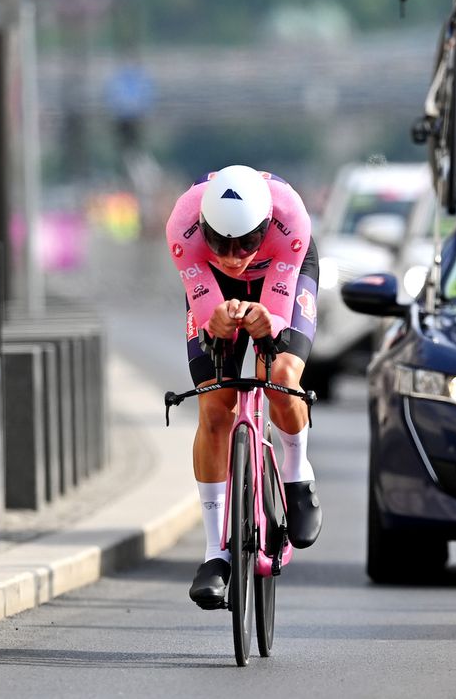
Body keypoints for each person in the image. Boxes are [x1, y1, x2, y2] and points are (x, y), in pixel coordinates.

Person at [165, 164, 323, 610]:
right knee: (216, 404)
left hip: (282, 270)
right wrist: (219, 322)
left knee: (281, 378)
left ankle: (297, 472)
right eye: (222, 242)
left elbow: (274, 315)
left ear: (262, 226)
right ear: (206, 228)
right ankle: (215, 553)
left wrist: (263, 324)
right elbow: (209, 312)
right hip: (213, 285)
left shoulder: (290, 216)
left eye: (245, 242)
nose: (235, 255)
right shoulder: (183, 224)